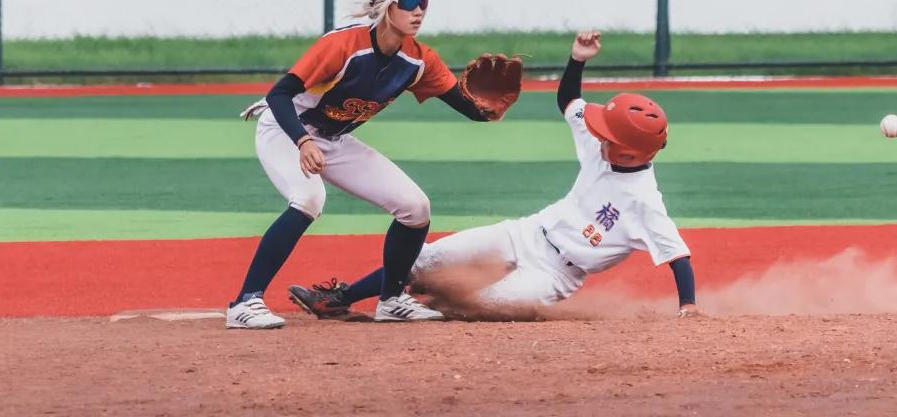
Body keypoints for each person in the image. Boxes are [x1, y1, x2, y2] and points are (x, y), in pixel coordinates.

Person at [287, 31, 698, 320]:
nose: (595, 132)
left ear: (627, 149)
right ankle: (339, 299)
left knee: (481, 305)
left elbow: (678, 257)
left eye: (605, 132)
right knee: (424, 258)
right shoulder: (601, 149)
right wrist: (577, 60)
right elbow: (570, 100)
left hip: (555, 274)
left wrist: (689, 307)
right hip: (525, 233)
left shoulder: (644, 200)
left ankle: (424, 304)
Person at [226, 0, 502, 329]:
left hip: (334, 139)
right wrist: (303, 140)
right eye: (408, 0)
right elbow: (279, 95)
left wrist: (489, 109)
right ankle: (245, 302)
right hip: (285, 128)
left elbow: (468, 107)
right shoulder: (342, 45)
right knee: (309, 199)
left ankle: (390, 299)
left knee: (415, 207)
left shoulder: (419, 60)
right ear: (385, 6)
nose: (418, 8)